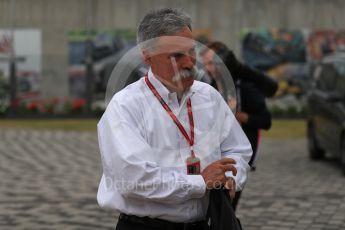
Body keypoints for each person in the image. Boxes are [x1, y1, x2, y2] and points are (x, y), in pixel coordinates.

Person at [97, 8, 252, 230]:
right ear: (147, 56)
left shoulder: (208, 96)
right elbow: (134, 180)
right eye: (177, 56)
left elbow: (237, 149)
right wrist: (200, 182)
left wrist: (230, 176)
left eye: (192, 52)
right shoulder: (125, 106)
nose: (189, 63)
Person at [201, 41, 273, 211]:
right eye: (206, 64)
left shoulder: (245, 87)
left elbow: (265, 121)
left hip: (239, 148)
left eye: (212, 63)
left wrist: (235, 115)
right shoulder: (209, 88)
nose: (208, 69)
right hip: (215, 150)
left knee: (228, 204)